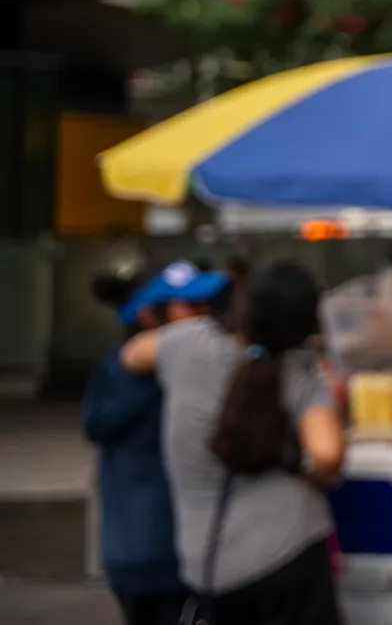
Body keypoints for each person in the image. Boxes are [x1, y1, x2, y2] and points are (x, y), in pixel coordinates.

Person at [120, 260, 347, 625]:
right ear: (305, 327)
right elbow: (327, 453)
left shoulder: (186, 344)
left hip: (211, 569)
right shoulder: (301, 379)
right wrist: (297, 462)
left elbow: (131, 355)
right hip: (292, 553)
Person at [85, 262, 228, 625]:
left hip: (143, 554)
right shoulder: (139, 377)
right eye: (191, 307)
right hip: (161, 557)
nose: (204, 316)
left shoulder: (127, 372)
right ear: (151, 317)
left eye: (205, 305)